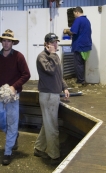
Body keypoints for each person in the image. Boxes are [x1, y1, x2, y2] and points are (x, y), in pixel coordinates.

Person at [34, 33, 70, 165]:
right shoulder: (42, 57)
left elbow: (58, 74)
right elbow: (50, 70)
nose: (55, 45)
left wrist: (64, 87)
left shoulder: (54, 56)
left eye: (56, 42)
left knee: (48, 124)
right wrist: (53, 55)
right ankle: (53, 155)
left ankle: (39, 148)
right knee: (52, 126)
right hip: (47, 95)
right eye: (53, 42)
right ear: (46, 44)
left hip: (53, 94)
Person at [0, 29, 31, 165]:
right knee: (1, 120)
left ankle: (8, 151)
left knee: (12, 121)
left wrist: (14, 87)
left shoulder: (19, 57)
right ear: (1, 42)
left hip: (13, 95)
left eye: (9, 41)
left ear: (13, 42)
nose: (6, 43)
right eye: (4, 40)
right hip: (0, 94)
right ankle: (14, 135)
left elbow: (26, 74)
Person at [63, 6, 92, 86]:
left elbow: (73, 32)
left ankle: (80, 81)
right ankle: (82, 80)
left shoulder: (78, 20)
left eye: (74, 14)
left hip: (79, 45)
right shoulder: (87, 20)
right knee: (82, 64)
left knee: (78, 64)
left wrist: (66, 31)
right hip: (86, 45)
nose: (74, 16)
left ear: (77, 12)